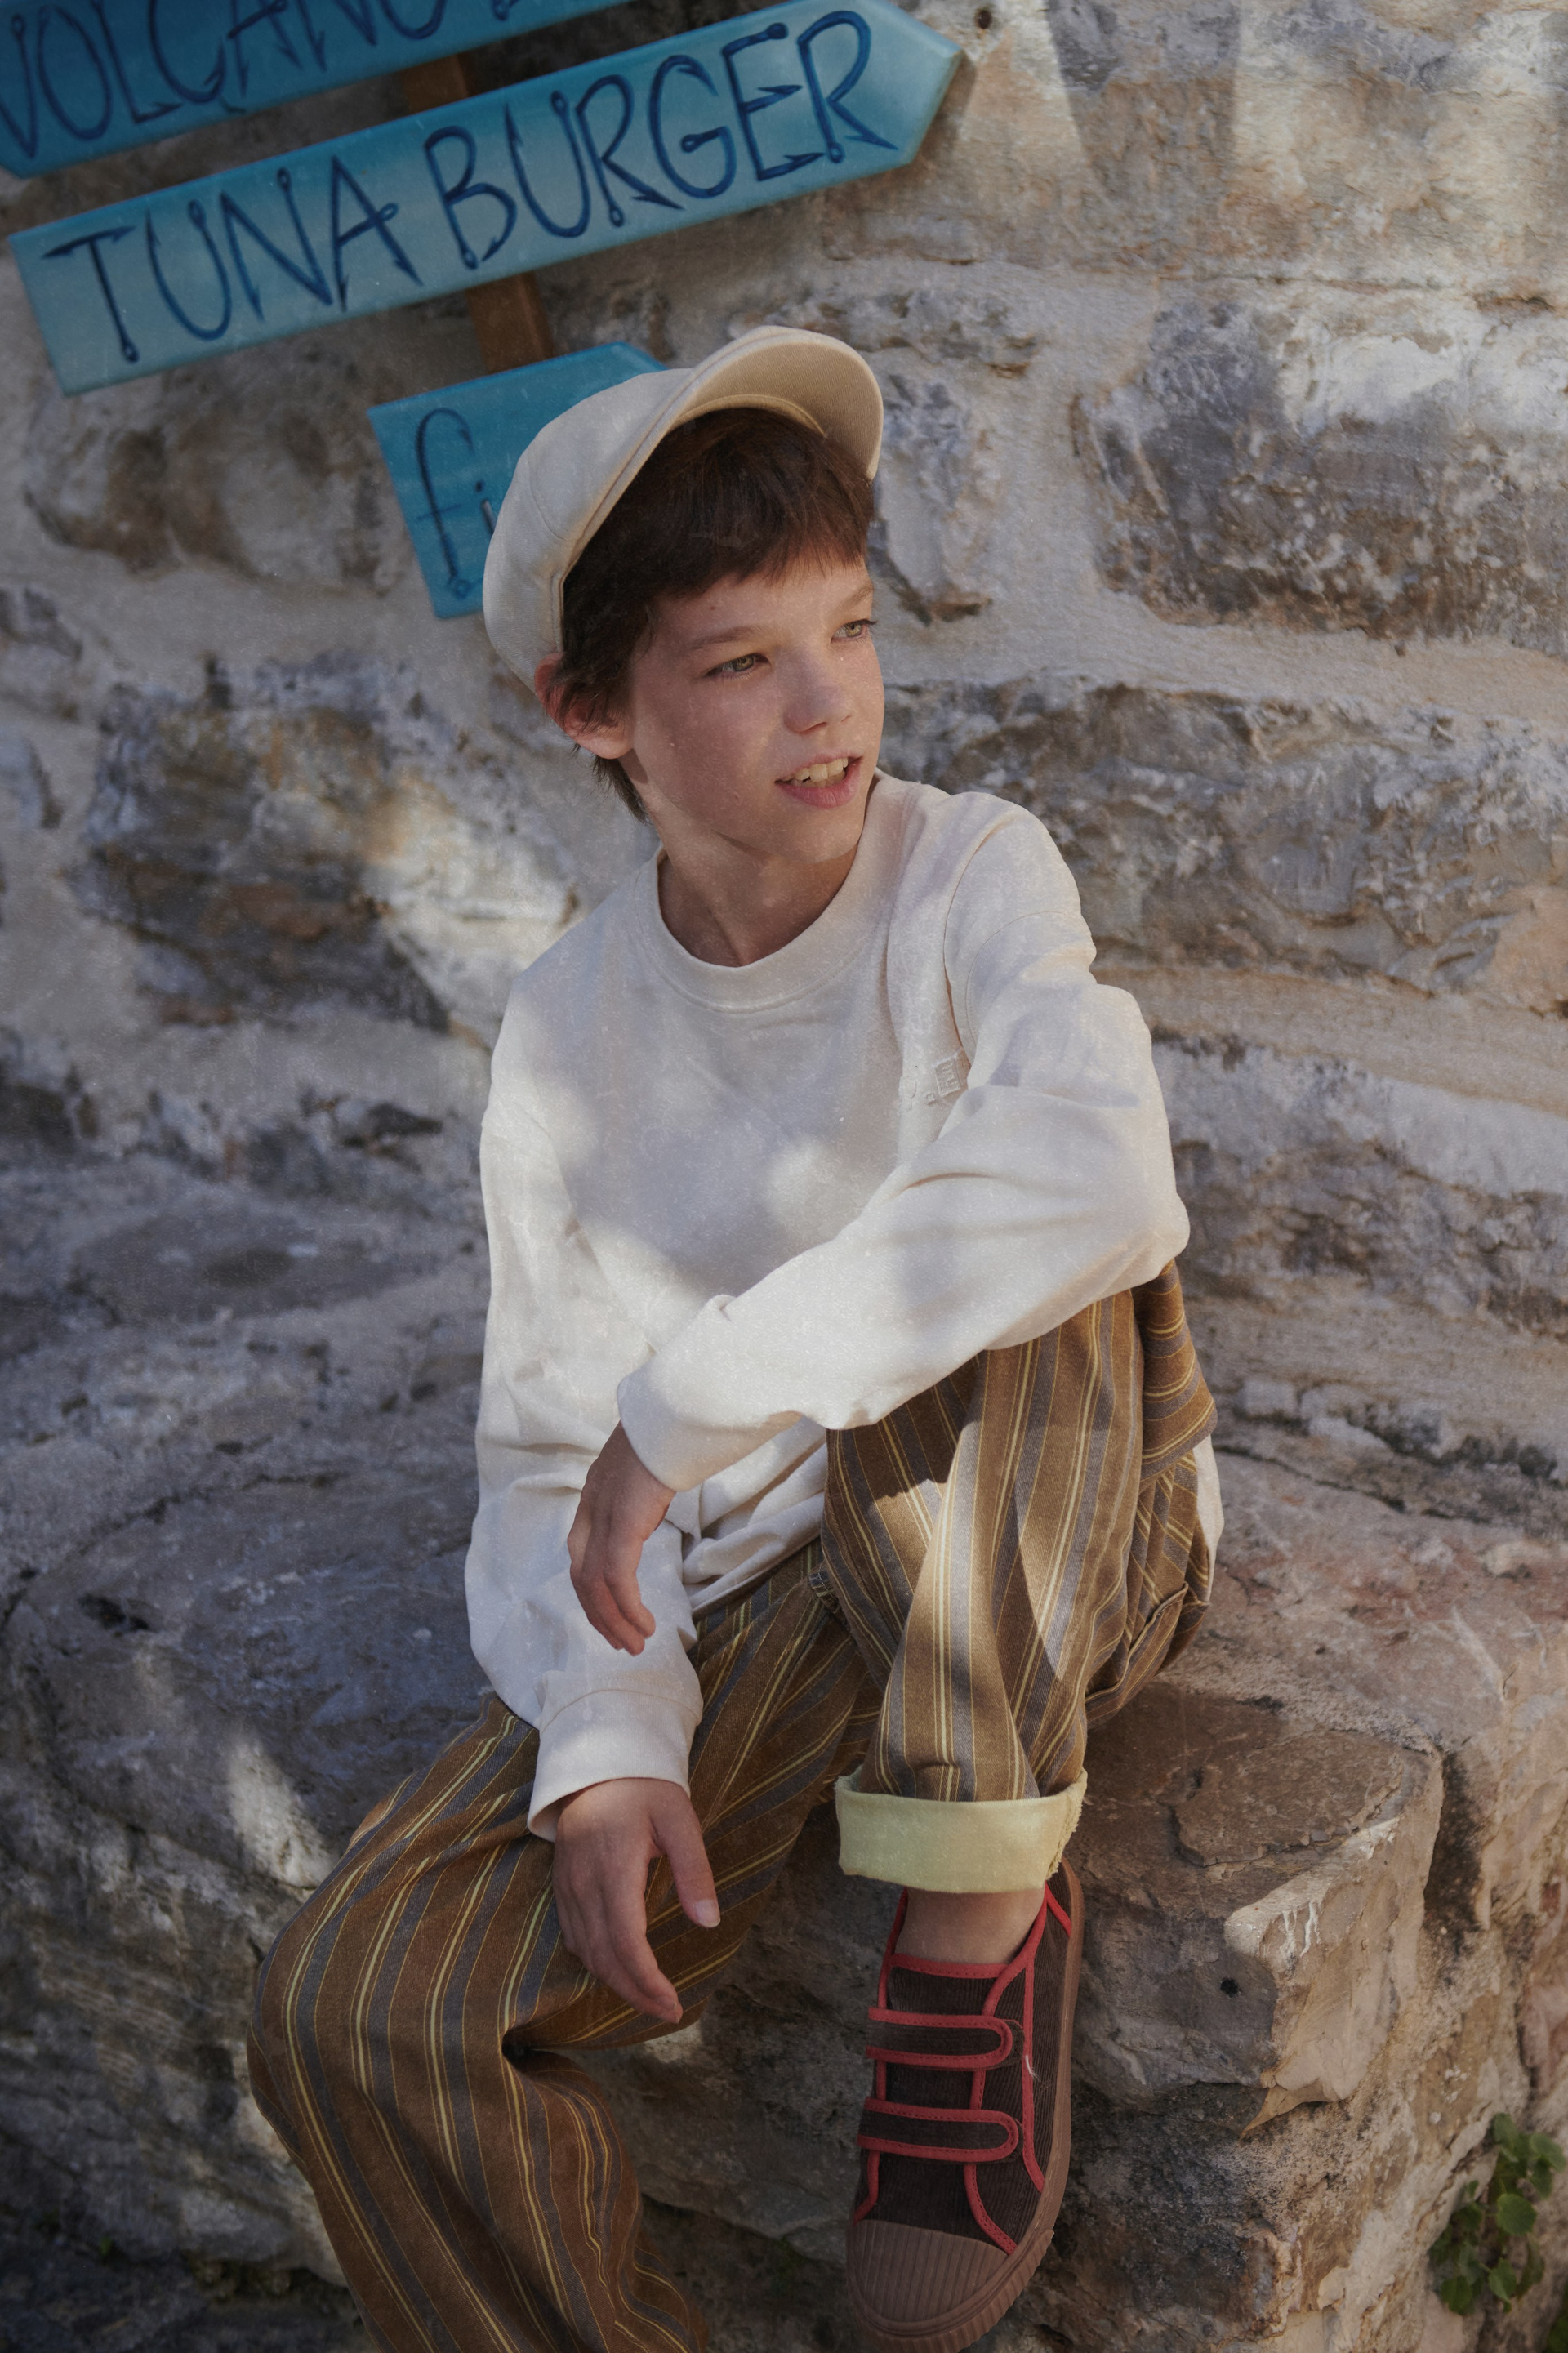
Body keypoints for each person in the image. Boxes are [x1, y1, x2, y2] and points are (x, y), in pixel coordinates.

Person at [248, 325, 1222, 2353]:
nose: (828, 701)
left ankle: (971, 1929)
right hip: (763, 1595)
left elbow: (1102, 1169)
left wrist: (690, 1398)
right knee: (345, 2006)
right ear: (588, 708)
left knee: (1027, 1247)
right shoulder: (564, 1030)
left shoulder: (971, 873)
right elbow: (552, 1458)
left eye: (850, 626)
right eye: (739, 660)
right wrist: (607, 1738)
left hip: (1038, 1535)